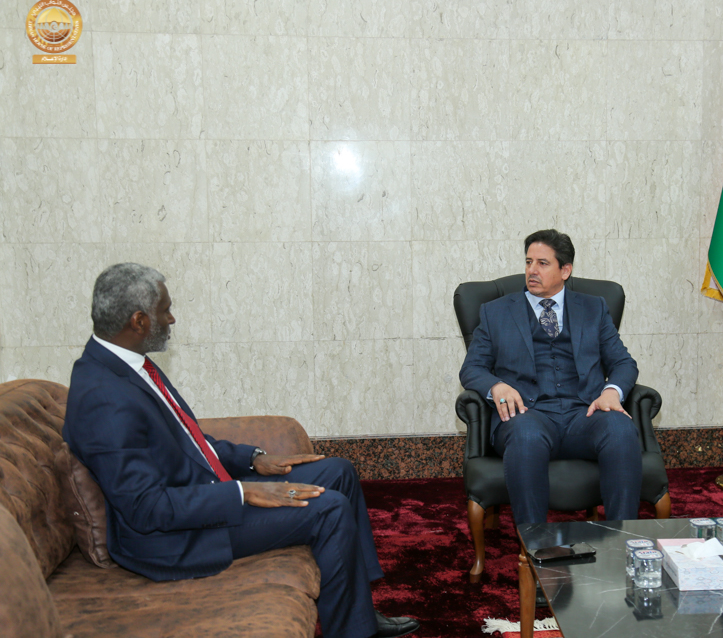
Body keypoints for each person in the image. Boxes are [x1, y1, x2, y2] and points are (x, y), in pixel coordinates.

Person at [63, 263, 419, 638]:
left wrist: (253, 460)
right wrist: (242, 491)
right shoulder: (104, 397)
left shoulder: (129, 364)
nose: (172, 319)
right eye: (165, 310)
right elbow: (146, 508)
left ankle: (359, 612)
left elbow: (188, 440)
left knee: (338, 472)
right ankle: (355, 633)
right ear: (138, 321)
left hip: (203, 492)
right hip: (176, 536)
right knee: (328, 509)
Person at [459, 229, 643, 525]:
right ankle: (534, 545)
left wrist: (612, 391)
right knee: (526, 435)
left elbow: (623, 363)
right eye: (528, 261)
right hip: (527, 415)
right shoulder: (495, 312)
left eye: (542, 263)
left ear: (565, 270)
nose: (532, 270)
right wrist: (496, 385)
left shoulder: (594, 308)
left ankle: (622, 541)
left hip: (584, 414)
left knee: (620, 429)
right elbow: (472, 368)